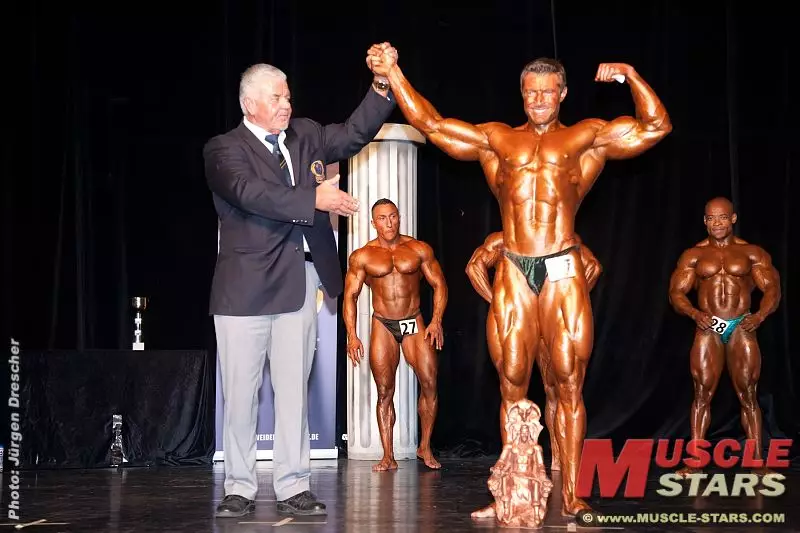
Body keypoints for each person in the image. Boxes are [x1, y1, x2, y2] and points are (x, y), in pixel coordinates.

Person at [367, 43, 671, 515]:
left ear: (563, 93)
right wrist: (395, 72)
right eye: (531, 93)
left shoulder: (586, 138)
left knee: (568, 383)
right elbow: (432, 125)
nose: (538, 101)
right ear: (522, 94)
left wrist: (630, 75)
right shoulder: (498, 140)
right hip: (513, 266)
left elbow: (656, 126)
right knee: (511, 382)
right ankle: (510, 491)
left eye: (548, 93)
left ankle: (571, 494)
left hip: (561, 264)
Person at [203, 48, 396, 518]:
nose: (286, 105)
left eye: (288, 97)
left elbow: (353, 133)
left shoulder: (306, 134)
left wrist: (382, 84)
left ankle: (294, 484)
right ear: (249, 104)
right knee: (241, 396)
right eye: (276, 98)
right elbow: (250, 194)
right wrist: (315, 199)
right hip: (243, 290)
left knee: (294, 392)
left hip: (299, 282)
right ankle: (239, 487)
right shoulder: (223, 149)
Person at [465, 232, 602, 474]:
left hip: (548, 324)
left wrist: (571, 301)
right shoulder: (505, 239)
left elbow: (593, 267)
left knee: (555, 390)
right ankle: (516, 467)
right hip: (521, 321)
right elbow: (474, 267)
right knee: (516, 390)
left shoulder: (563, 238)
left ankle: (558, 459)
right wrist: (497, 302)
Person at [668, 197, 781, 476]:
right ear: (704, 221)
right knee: (701, 394)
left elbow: (772, 290)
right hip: (709, 326)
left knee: (748, 394)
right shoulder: (693, 255)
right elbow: (676, 293)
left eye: (722, 217)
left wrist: (760, 316)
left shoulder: (751, 253)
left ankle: (757, 461)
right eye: (711, 218)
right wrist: (694, 313)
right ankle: (695, 461)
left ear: (733, 218)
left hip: (741, 325)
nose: (716, 223)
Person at [343, 198, 447, 472]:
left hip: (413, 321)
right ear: (373, 222)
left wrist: (436, 321)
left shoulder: (418, 249)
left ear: (399, 218)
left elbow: (439, 284)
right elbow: (350, 296)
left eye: (393, 216)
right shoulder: (363, 256)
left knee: (429, 382)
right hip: (383, 324)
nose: (389, 223)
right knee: (384, 390)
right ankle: (388, 455)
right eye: (382, 218)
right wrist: (352, 335)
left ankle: (425, 446)